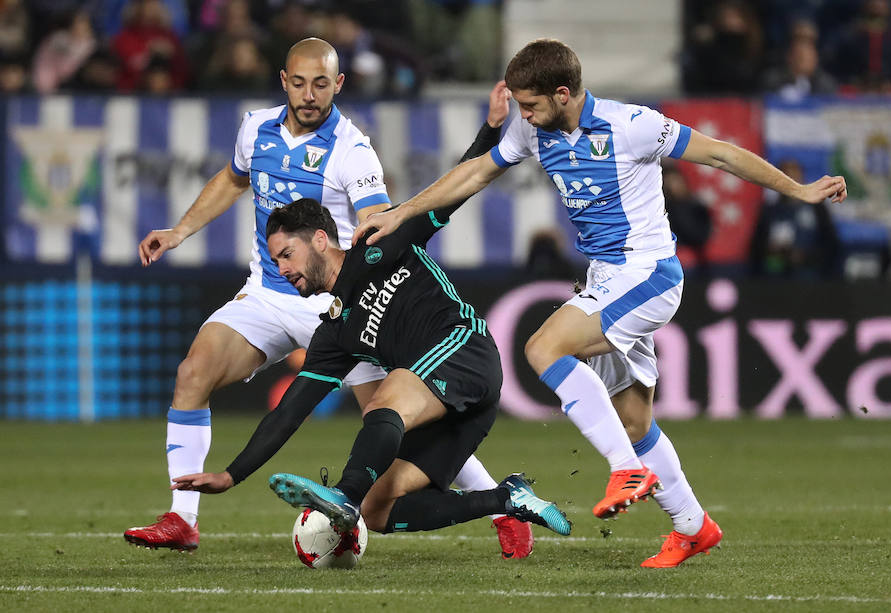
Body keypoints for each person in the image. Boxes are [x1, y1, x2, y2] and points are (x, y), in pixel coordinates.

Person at [353, 38, 847, 567]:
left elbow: (722, 153)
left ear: (562, 94)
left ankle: (624, 470)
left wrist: (798, 191)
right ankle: (693, 525)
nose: (522, 116)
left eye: (531, 105)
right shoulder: (531, 128)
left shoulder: (631, 125)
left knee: (543, 347)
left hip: (649, 272)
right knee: (633, 421)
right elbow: (473, 173)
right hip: (605, 276)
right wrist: (401, 213)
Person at [124, 39, 533, 559]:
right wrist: (180, 231)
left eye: (321, 84)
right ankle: (182, 519)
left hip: (336, 305)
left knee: (391, 418)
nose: (309, 95)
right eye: (299, 83)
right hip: (269, 293)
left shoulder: (351, 149)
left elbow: (380, 219)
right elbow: (232, 179)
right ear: (284, 80)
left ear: (338, 85)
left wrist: (377, 258)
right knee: (191, 373)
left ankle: (498, 504)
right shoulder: (256, 128)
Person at [170, 197, 572, 541]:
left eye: (287, 254)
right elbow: (288, 413)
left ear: (321, 240)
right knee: (379, 510)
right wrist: (231, 475)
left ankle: (345, 494)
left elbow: (450, 194)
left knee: (385, 399)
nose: (282, 269)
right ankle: (506, 499)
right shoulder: (333, 334)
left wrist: (493, 136)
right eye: (274, 260)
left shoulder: (379, 242)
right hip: (448, 402)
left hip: (464, 349)